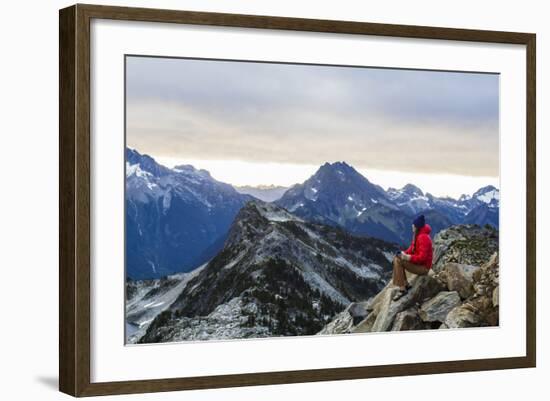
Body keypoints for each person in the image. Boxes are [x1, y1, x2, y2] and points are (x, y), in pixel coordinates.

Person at [391, 214, 433, 301]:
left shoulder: (423, 238)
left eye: (413, 225)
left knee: (399, 261)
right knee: (397, 258)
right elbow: (412, 248)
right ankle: (405, 284)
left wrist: (407, 257)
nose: (412, 226)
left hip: (423, 268)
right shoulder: (418, 235)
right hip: (419, 265)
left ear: (417, 227)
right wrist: (403, 253)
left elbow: (422, 258)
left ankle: (402, 290)